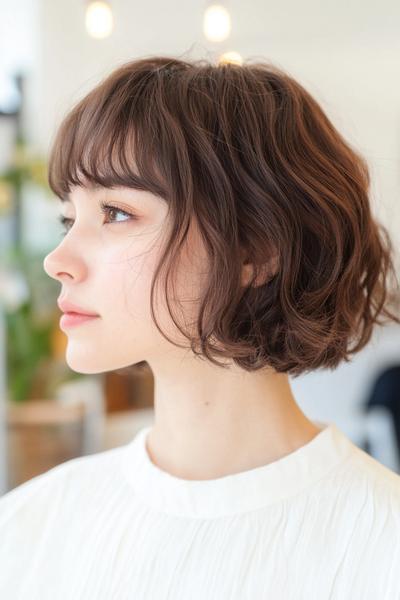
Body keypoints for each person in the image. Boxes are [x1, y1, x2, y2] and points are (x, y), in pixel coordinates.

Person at [1, 55, 400, 599]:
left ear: (255, 250)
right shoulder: (31, 530)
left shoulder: (380, 546)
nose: (57, 259)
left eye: (116, 212)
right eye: (69, 218)